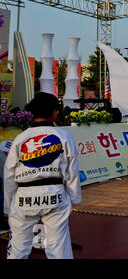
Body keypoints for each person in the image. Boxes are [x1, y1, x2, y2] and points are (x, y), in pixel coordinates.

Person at [4, 92, 82, 259]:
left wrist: (9, 204)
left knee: (18, 248)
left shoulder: (20, 138)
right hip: (55, 195)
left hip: (24, 196)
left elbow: (9, 173)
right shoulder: (64, 136)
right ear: (54, 112)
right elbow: (72, 171)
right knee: (58, 249)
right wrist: (74, 198)